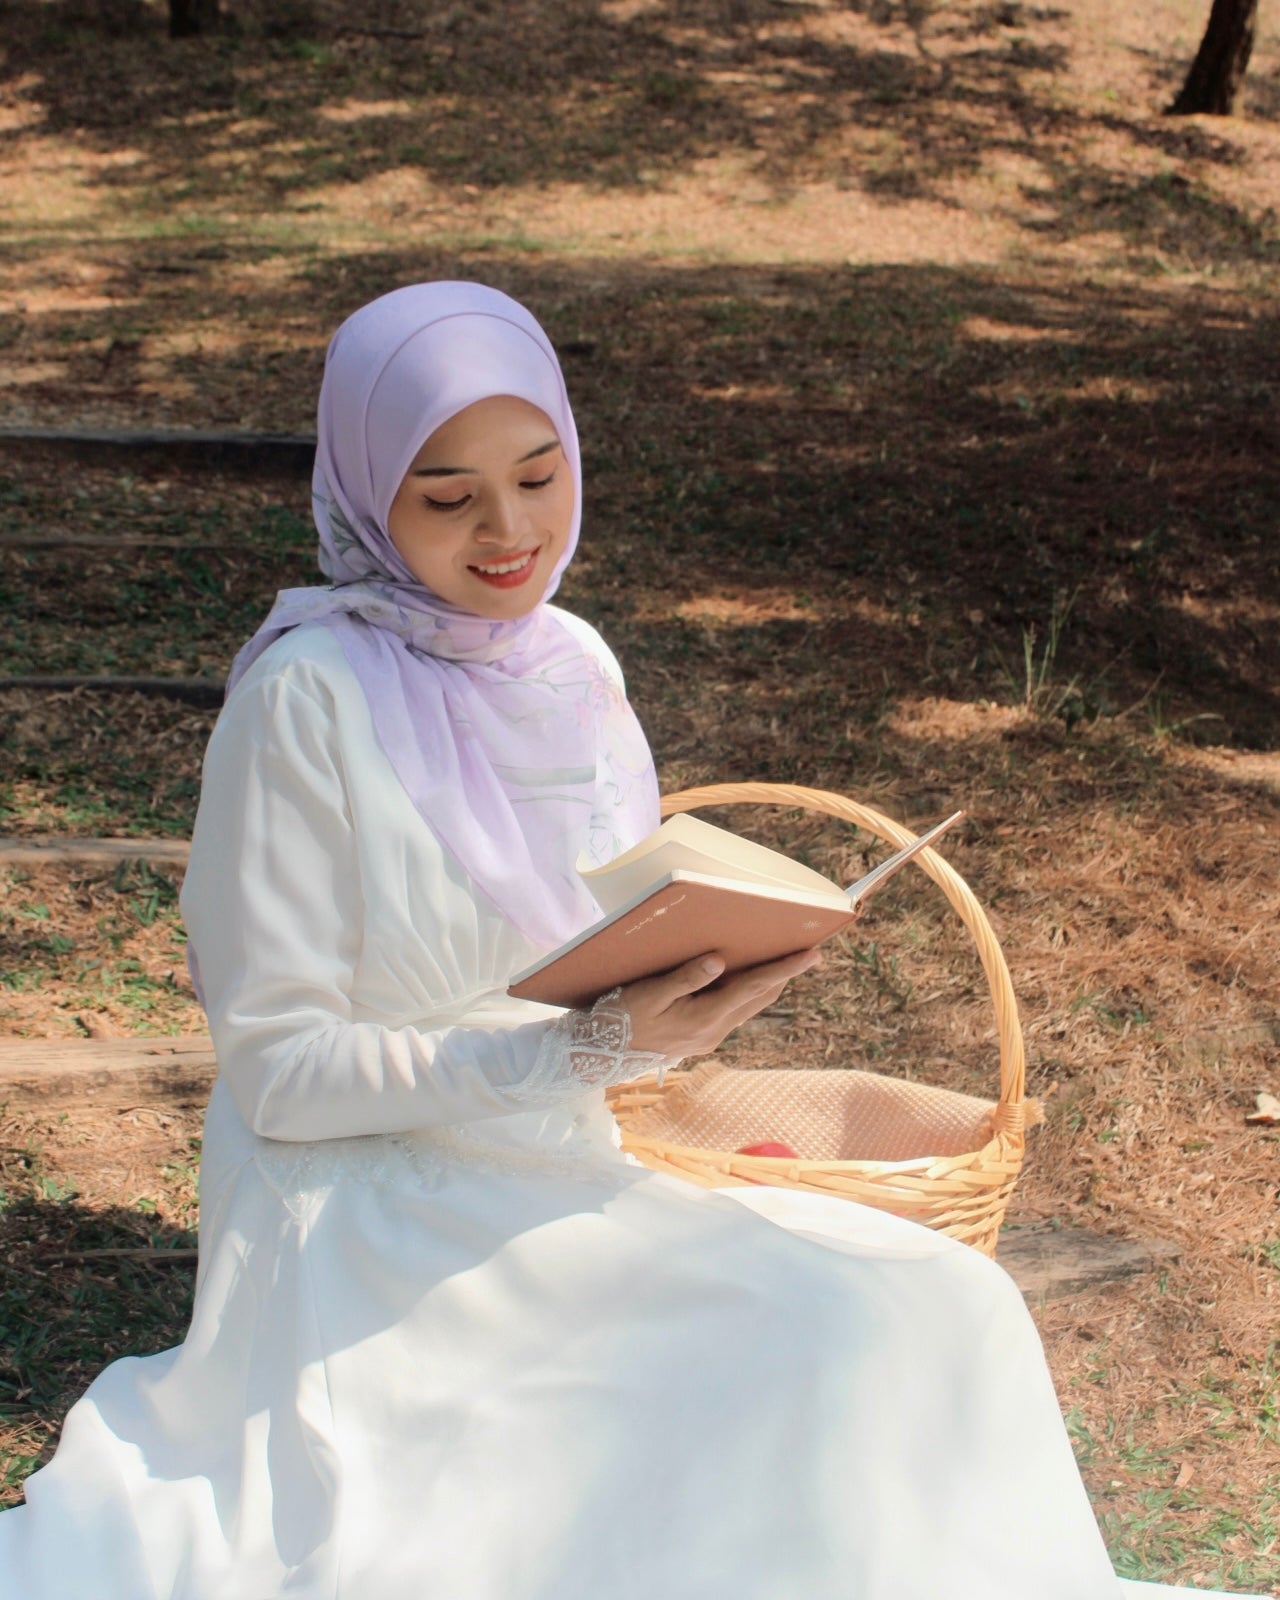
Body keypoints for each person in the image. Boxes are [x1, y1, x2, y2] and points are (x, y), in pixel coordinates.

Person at [0, 283, 1262, 1600]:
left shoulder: (574, 667)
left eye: (538, 477)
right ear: (373, 495)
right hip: (366, 1211)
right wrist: (572, 1053)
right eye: (447, 496)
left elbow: (590, 960)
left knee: (950, 1309)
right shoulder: (303, 699)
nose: (509, 531)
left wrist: (686, 1001)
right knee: (810, 1346)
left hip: (567, 1159)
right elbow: (279, 1077)